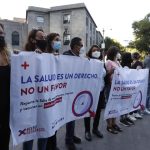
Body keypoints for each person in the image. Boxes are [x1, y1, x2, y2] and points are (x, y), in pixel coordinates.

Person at [23, 28, 47, 150]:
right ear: (33, 40)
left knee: (44, 131)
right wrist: (33, 57)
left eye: (44, 37)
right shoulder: (24, 56)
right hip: (30, 102)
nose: (44, 40)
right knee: (29, 134)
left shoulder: (48, 56)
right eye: (41, 37)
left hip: (44, 101)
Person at [63, 37, 83, 150]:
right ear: (75, 45)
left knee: (73, 114)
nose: (81, 47)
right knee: (69, 115)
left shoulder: (78, 57)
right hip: (67, 90)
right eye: (80, 45)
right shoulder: (67, 55)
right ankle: (68, 140)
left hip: (75, 89)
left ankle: (71, 135)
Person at [84, 45, 105, 141]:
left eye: (98, 50)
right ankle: (87, 131)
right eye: (94, 50)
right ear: (90, 52)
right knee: (88, 111)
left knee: (98, 111)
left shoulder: (102, 63)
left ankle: (95, 129)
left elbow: (104, 75)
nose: (96, 51)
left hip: (100, 91)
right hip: (90, 92)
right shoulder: (87, 61)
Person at [45, 32, 61, 150]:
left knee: (55, 123)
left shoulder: (58, 56)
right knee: (48, 124)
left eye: (59, 40)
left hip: (57, 94)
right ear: (50, 42)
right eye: (56, 39)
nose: (59, 42)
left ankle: (53, 146)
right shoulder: (44, 56)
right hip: (47, 95)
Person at [105, 46, 122, 134]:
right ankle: (109, 125)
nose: (118, 54)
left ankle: (114, 123)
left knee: (115, 105)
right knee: (110, 105)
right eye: (116, 52)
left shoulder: (118, 62)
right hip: (110, 87)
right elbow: (106, 74)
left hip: (117, 88)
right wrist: (111, 71)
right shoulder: (108, 62)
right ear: (113, 53)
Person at [0, 23, 11, 150]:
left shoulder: (8, 54)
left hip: (7, 104)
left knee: (5, 134)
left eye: (2, 33)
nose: (1, 36)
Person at [119, 52, 134, 126]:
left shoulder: (128, 65)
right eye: (130, 56)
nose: (132, 57)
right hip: (124, 88)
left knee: (126, 102)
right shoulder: (125, 66)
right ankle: (122, 119)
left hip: (128, 87)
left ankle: (125, 117)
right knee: (124, 103)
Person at [143, 49, 150, 114]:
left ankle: (147, 107)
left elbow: (143, 67)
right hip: (147, 79)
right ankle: (145, 108)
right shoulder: (147, 59)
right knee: (147, 94)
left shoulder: (146, 59)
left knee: (148, 94)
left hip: (147, 79)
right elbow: (144, 68)